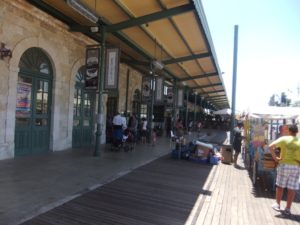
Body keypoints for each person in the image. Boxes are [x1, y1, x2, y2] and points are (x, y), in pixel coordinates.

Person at [269, 124, 300, 215]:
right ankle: (288, 209)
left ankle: (277, 204)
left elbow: (271, 146)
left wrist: (276, 158)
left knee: (280, 186)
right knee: (292, 188)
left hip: (284, 165)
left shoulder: (283, 139)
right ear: (297, 132)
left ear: (289, 131)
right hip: (296, 166)